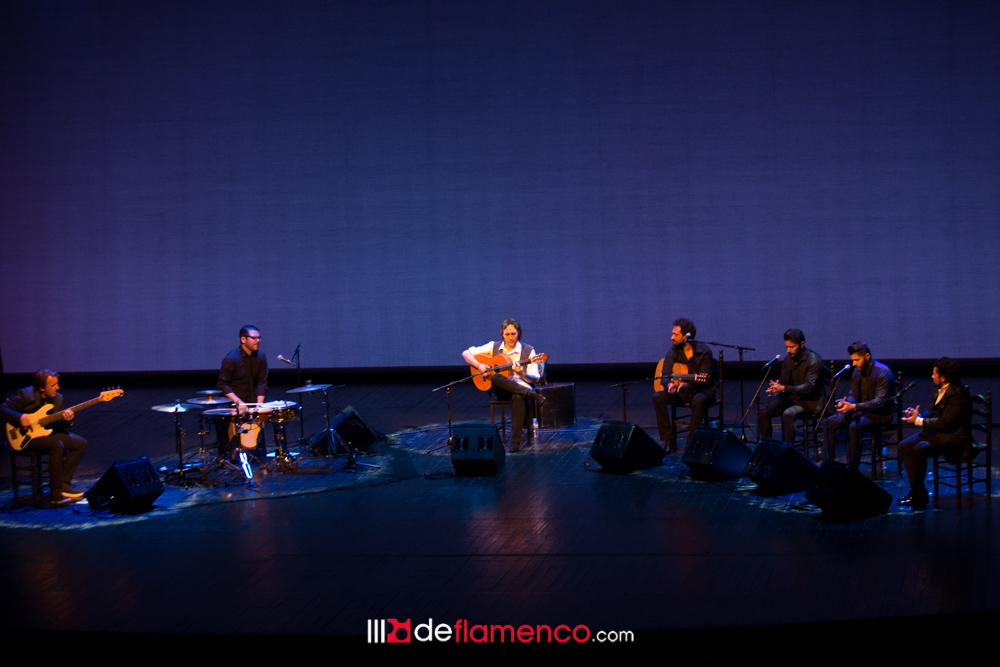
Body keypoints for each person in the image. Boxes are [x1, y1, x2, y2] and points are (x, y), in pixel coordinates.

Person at [2, 368, 88, 506]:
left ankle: (63, 484)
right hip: (24, 437)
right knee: (56, 445)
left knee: (80, 443)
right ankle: (56, 494)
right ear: (42, 388)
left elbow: (58, 425)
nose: (57, 387)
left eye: (57, 384)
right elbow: (2, 408)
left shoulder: (58, 398)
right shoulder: (26, 394)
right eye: (53, 385)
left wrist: (67, 420)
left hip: (46, 432)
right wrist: (20, 417)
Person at [462, 318, 546, 453]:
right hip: (501, 389)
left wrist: (521, 373)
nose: (510, 337)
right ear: (502, 334)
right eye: (507, 334)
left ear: (518, 333)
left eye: (513, 334)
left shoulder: (528, 350)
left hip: (521, 388)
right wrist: (480, 365)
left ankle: (515, 442)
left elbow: (534, 380)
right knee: (496, 377)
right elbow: (466, 353)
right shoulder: (493, 347)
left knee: (518, 396)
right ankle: (532, 395)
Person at [897, 358, 972, 507]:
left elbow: (945, 423)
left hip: (953, 437)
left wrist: (918, 421)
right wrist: (918, 415)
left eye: (934, 374)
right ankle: (918, 491)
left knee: (919, 449)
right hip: (938, 433)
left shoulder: (957, 395)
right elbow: (932, 412)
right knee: (903, 446)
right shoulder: (941, 389)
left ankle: (917, 494)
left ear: (943, 377)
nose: (932, 376)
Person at [823, 341, 895, 468]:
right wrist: (847, 402)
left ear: (867, 356)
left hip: (880, 413)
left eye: (857, 360)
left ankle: (852, 469)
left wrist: (854, 406)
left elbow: (880, 402)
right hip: (861, 411)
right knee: (829, 422)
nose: (854, 364)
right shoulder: (857, 372)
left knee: (854, 425)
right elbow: (854, 396)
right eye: (853, 360)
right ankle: (829, 464)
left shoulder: (882, 372)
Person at [652, 318, 716, 454]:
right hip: (682, 391)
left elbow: (703, 380)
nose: (672, 337)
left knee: (698, 401)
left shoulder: (704, 352)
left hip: (702, 390)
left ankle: (691, 444)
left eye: (675, 334)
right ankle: (669, 440)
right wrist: (669, 384)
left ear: (687, 336)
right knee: (658, 397)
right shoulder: (673, 350)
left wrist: (688, 385)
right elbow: (665, 375)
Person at [757, 329, 826, 444]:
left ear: (802, 344)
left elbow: (809, 387)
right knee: (763, 411)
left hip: (810, 402)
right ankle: (767, 446)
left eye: (792, 347)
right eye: (787, 347)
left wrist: (784, 388)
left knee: (788, 413)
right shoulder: (788, 360)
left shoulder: (813, 360)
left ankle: (788, 449)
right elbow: (783, 383)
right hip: (792, 399)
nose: (788, 350)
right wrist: (777, 389)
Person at [217, 324, 268, 456]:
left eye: (259, 338)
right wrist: (238, 402)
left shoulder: (261, 357)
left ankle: (260, 453)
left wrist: (259, 406)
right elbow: (222, 384)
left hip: (253, 401)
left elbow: (262, 382)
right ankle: (230, 452)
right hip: (235, 402)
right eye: (254, 338)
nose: (257, 341)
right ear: (243, 339)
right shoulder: (231, 358)